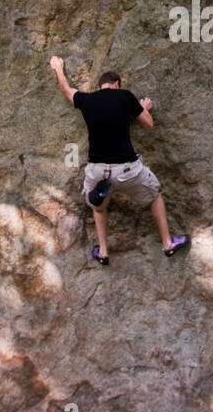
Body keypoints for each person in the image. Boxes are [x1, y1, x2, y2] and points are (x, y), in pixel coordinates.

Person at [49, 57, 189, 265]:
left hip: (97, 171)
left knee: (98, 205)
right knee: (155, 196)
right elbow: (149, 125)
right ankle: (168, 244)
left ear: (99, 87)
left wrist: (58, 69)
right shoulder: (125, 96)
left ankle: (103, 251)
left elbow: (66, 89)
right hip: (127, 170)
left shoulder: (87, 100)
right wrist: (143, 108)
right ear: (117, 84)